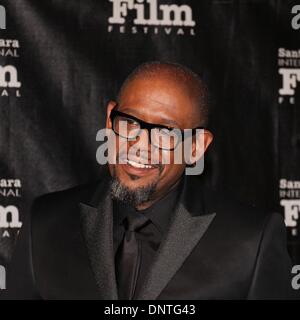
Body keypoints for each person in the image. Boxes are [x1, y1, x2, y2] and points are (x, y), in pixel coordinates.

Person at [1, 61, 295, 299]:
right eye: (129, 123)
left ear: (196, 147)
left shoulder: (251, 242)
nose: (140, 146)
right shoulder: (45, 223)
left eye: (165, 133)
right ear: (109, 121)